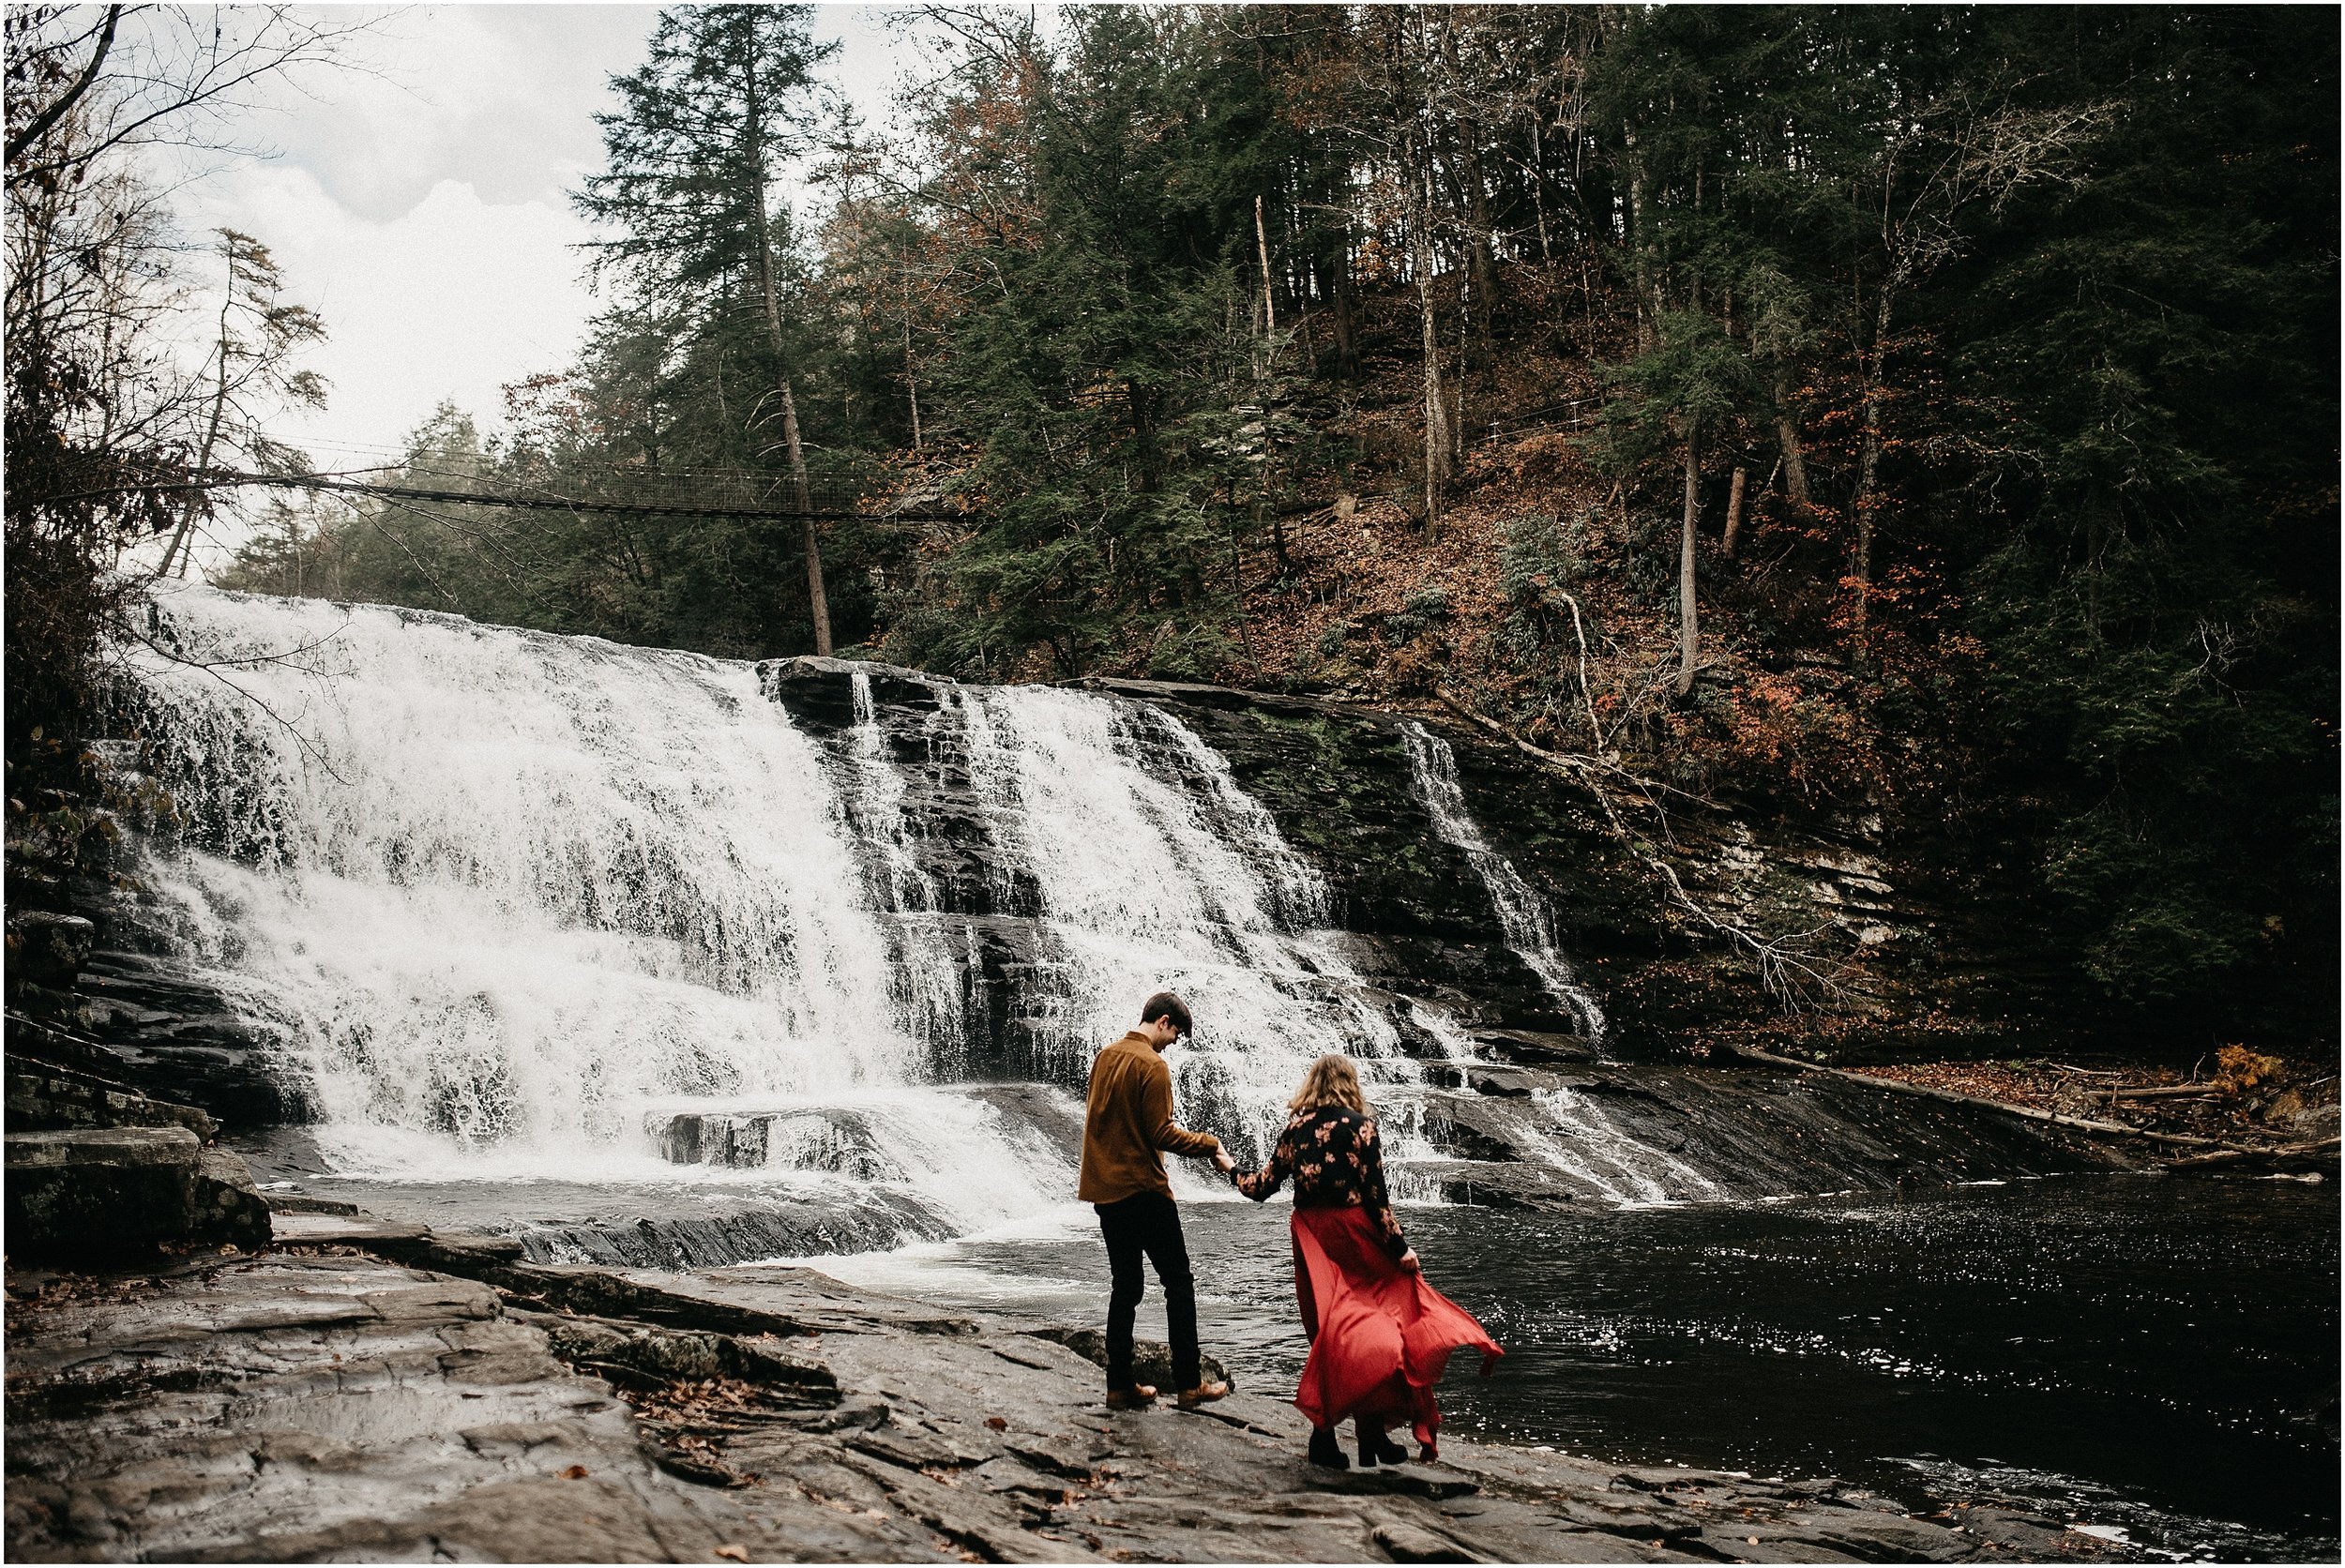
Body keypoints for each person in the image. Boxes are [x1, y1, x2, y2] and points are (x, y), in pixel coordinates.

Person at [1231, 1052, 1501, 1469]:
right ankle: (1363, 1435)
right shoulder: (1361, 1127)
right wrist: (1400, 1248)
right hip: (1356, 1236)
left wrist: (1230, 1168)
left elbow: (1260, 1188)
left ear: (1313, 1084)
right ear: (1348, 1085)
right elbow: (1376, 1196)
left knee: (1333, 1333)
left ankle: (1350, 1437)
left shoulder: (1295, 1129)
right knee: (1384, 1322)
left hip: (1313, 1239)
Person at [1078, 990, 1235, 1411]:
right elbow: (1162, 1134)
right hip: (1144, 1191)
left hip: (1106, 1192)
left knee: (1125, 1287)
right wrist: (1211, 1145)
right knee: (1178, 1283)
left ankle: (1119, 1385)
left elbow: (1097, 1121)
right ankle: (1189, 1384)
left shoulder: (1106, 1055)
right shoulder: (1153, 1065)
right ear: (1163, 1021)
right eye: (1176, 1034)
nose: (1174, 1043)